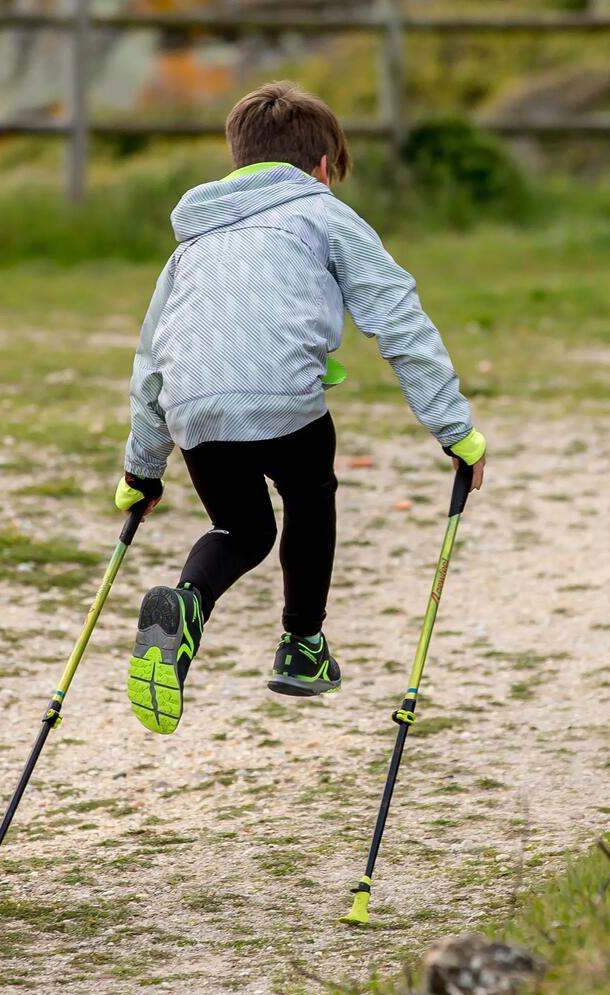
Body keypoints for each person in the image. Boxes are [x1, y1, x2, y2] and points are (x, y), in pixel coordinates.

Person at [114, 81, 486, 735]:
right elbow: (397, 317)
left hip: (195, 411)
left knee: (242, 528)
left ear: (240, 162)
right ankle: (302, 646)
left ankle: (185, 601)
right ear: (320, 167)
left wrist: (141, 474)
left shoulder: (191, 245)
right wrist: (453, 429)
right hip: (284, 400)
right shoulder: (323, 214)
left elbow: (151, 364)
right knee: (310, 494)